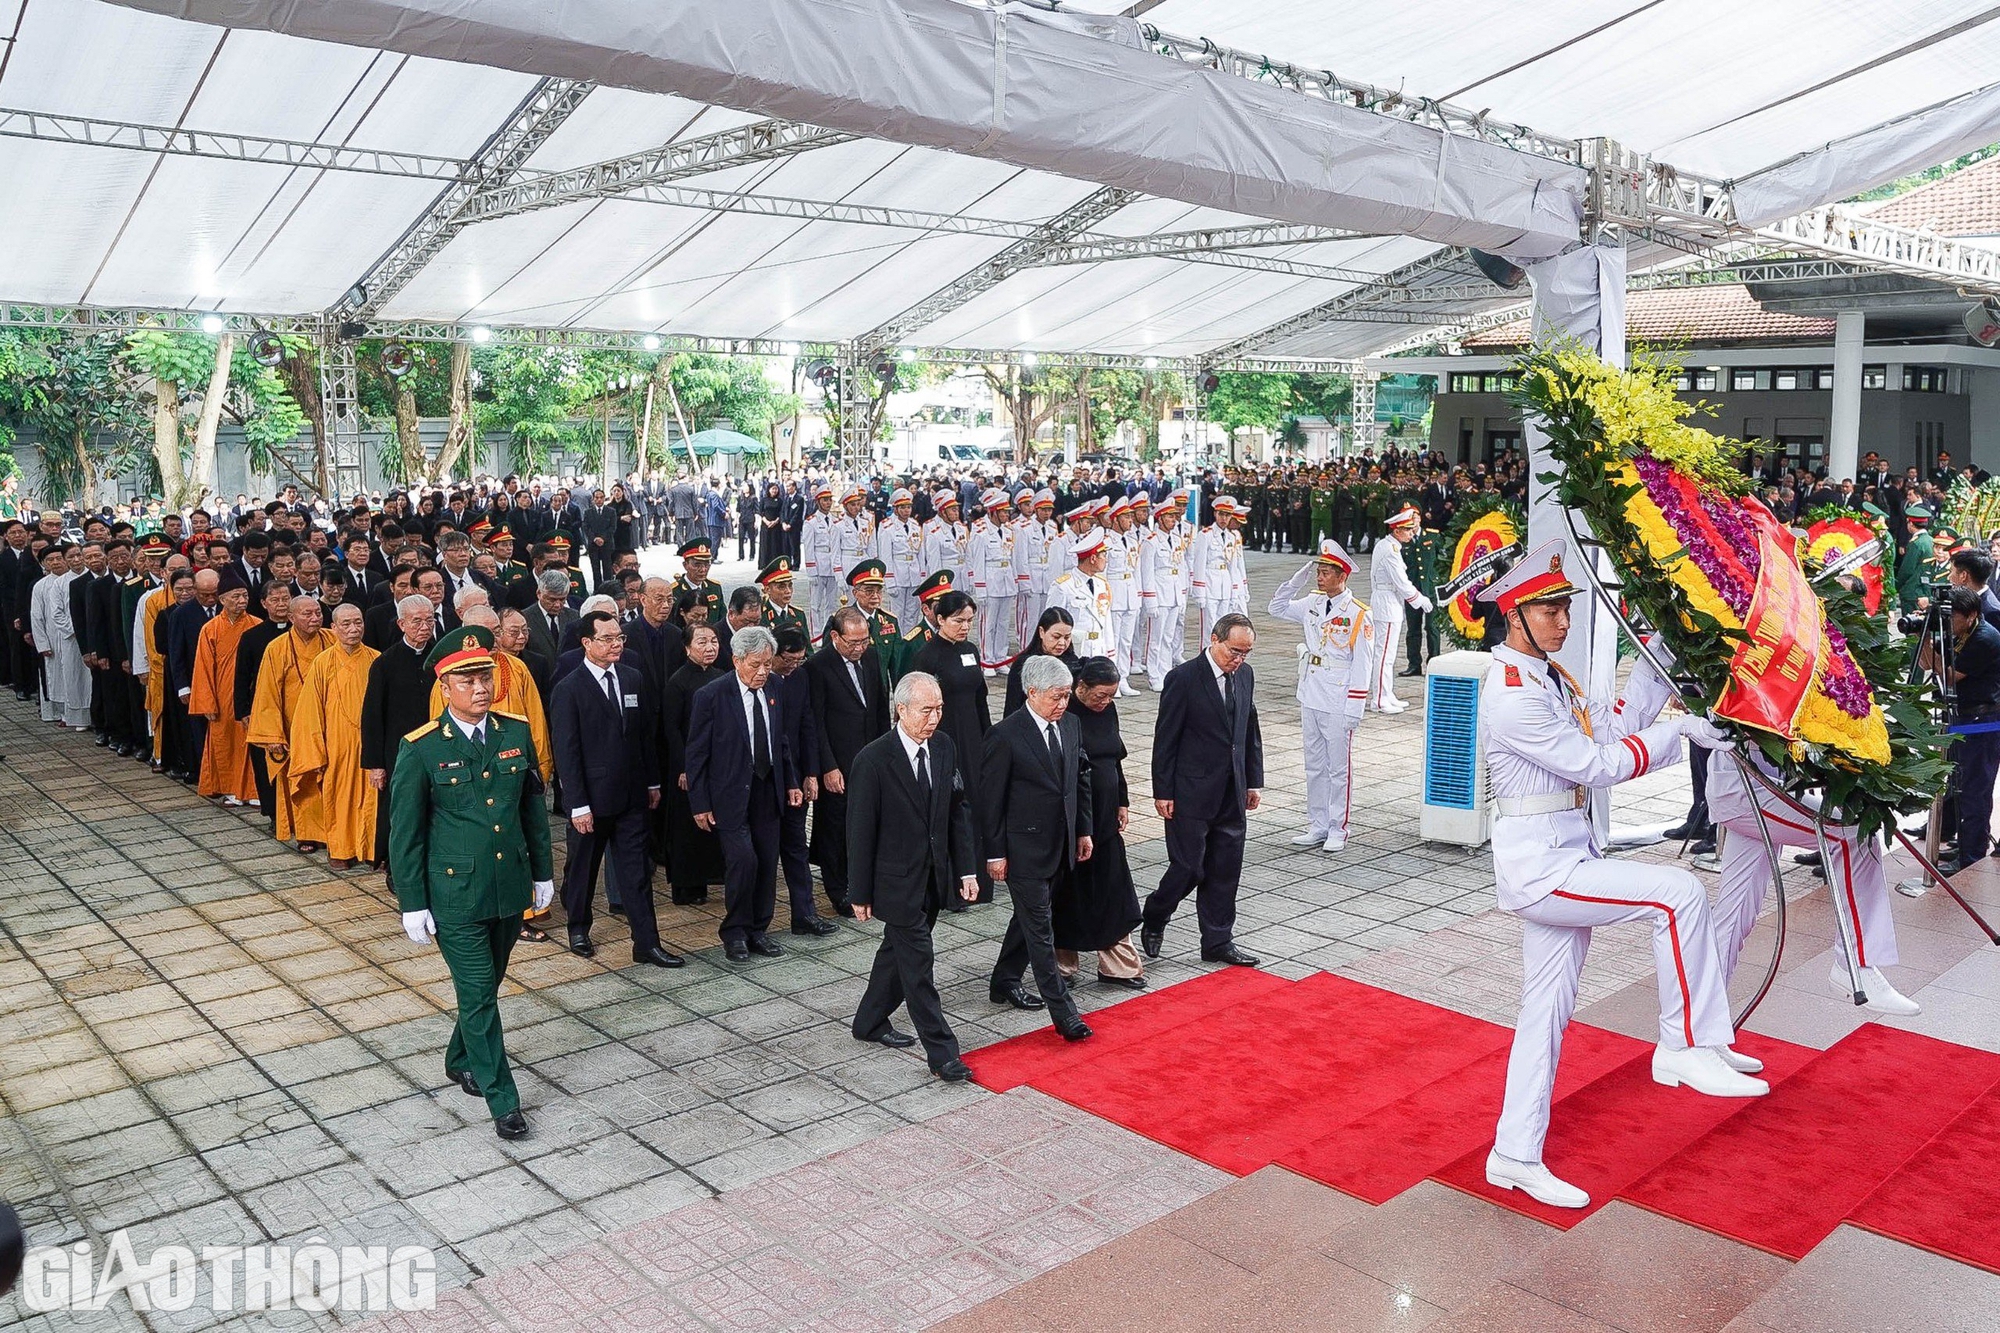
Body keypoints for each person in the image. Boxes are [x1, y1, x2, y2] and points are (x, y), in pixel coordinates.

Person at [1475, 540, 1763, 1212]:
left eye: (1566, 606)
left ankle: (1513, 1153)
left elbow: (1613, 729)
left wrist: (1661, 655)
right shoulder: (1512, 692)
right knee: (1679, 893)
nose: (1563, 620)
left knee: (1544, 1014)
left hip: (1567, 853)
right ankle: (1683, 1043)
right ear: (1514, 613)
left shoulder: (1550, 677)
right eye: (1549, 609)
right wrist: (1680, 735)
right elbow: (1595, 764)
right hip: (1542, 868)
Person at [389, 626, 555, 1142]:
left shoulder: (514, 733)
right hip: (454, 895)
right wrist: (412, 902)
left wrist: (544, 873)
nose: (480, 687)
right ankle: (503, 1098)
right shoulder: (419, 749)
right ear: (444, 688)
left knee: (484, 988)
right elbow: (405, 833)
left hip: (507, 887)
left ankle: (459, 1056)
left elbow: (531, 811)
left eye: (484, 676)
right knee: (481, 993)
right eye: (467, 680)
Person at [1707, 748, 1920, 1016]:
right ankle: (1854, 965)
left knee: (1735, 914)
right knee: (1853, 836)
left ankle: (1699, 1030)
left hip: (1754, 783)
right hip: (1748, 789)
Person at [847, 670, 980, 1080]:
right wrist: (859, 890)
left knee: (897, 954)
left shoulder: (943, 748)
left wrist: (967, 869)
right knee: (919, 966)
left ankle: (868, 1021)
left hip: (933, 877)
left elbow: (956, 812)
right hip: (894, 882)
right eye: (926, 710)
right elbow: (859, 830)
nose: (935, 717)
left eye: (940, 708)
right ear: (900, 710)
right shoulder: (872, 759)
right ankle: (942, 1052)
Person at [551, 609, 678, 967]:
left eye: (619, 637)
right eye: (607, 639)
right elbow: (567, 751)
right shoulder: (569, 688)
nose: (616, 645)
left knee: (636, 872)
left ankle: (647, 943)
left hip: (632, 795)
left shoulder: (633, 678)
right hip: (591, 799)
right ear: (586, 643)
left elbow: (644, 736)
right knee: (583, 867)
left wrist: (652, 781)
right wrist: (576, 805)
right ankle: (578, 927)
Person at [1140, 611, 1263, 968]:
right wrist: (1163, 791)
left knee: (1226, 867)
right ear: (1214, 639)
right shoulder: (1183, 678)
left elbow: (1248, 729)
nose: (1239, 660)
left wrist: (1253, 779)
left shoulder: (1245, 676)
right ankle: (1155, 913)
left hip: (1232, 789)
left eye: (1246, 653)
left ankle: (1218, 939)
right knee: (1189, 867)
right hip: (1190, 791)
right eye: (1234, 651)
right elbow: (1166, 739)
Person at [982, 653, 1094, 1039]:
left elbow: (1079, 781)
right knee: (1041, 928)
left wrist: (1083, 831)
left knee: (1029, 918)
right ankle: (1064, 1014)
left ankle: (1004, 979)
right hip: (1023, 849)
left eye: (1066, 696)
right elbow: (990, 801)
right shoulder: (1005, 736)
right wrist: (994, 853)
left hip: (1061, 845)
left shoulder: (1072, 725)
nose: (1063, 704)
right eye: (1056, 697)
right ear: (1032, 692)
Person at [687, 625, 805, 961]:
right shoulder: (711, 696)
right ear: (737, 660)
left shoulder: (775, 687)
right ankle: (735, 932)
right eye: (756, 665)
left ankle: (758, 930)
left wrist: (792, 782)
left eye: (768, 664)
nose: (763, 671)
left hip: (769, 788)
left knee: (768, 862)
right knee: (743, 860)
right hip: (730, 793)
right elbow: (696, 754)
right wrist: (700, 802)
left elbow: (781, 740)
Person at [1268, 540, 1375, 853]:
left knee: (1338, 768)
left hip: (1339, 696)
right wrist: (1296, 581)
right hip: (1311, 691)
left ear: (1342, 576)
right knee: (1314, 764)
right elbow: (1276, 608)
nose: (1319, 577)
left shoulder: (1357, 614)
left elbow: (1363, 662)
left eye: (1325, 572)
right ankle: (1317, 824)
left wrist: (1356, 705)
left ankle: (1338, 827)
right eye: (1318, 571)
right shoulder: (1312, 603)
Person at [1057, 657, 1145, 989]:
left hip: (1106, 818)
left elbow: (1115, 760)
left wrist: (1122, 800)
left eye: (1110, 695)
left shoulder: (1107, 710)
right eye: (1100, 695)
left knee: (1113, 891)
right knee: (1071, 894)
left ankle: (1117, 964)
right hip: (1075, 820)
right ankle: (1062, 964)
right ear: (1081, 687)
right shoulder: (1065, 715)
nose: (1105, 702)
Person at [806, 607, 892, 918]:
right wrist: (827, 766)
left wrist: (888, 751)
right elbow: (815, 722)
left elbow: (881, 706)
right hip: (838, 763)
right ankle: (837, 888)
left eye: (864, 641)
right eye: (852, 643)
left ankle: (864, 883)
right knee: (835, 828)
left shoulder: (870, 657)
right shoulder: (818, 666)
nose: (859, 648)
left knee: (868, 823)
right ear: (834, 637)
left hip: (869, 757)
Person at [910, 589, 992, 906]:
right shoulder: (927, 656)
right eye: (958, 620)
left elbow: (980, 698)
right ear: (939, 618)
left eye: (969, 620)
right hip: (941, 739)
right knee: (950, 808)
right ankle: (949, 888)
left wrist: (988, 740)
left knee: (976, 804)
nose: (964, 626)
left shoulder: (970, 650)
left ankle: (978, 880)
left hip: (973, 740)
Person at [289, 602, 379, 869]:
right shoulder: (323, 662)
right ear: (334, 628)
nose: (354, 629)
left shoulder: (376, 659)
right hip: (337, 745)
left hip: (369, 745)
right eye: (346, 624)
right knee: (339, 798)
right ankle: (341, 849)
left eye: (358, 622)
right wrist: (317, 749)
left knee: (373, 798)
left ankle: (373, 849)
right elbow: (309, 712)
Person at [246, 594, 334, 852]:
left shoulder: (332, 640)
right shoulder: (277, 648)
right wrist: (273, 735)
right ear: (291, 617)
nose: (315, 618)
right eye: (307, 614)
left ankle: (332, 830)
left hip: (329, 723)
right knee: (303, 780)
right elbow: (267, 693)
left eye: (318, 612)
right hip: (293, 726)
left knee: (329, 779)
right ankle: (306, 833)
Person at [360, 594, 440, 873]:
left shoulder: (441, 657)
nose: (424, 626)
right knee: (400, 812)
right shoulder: (385, 663)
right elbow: (371, 716)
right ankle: (398, 868)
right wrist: (375, 765)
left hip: (437, 748)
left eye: (429, 619)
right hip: (398, 753)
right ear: (401, 623)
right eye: (416, 621)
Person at [1927, 586, 2000, 872]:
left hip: (1983, 724)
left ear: (1970, 616)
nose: (1948, 625)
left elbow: (1948, 675)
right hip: (1964, 719)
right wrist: (1924, 642)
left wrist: (1932, 652)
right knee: (1958, 787)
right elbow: (1930, 666)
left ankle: (1971, 857)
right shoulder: (1961, 633)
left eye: (1952, 619)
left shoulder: (1985, 638)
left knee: (1975, 792)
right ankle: (1963, 843)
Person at [768, 626, 836, 936]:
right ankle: (757, 925)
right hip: (767, 777)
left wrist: (811, 773)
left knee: (796, 848)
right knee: (766, 854)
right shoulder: (760, 679)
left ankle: (804, 914)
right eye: (788, 659)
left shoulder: (800, 677)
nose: (793, 665)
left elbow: (809, 725)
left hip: (796, 774)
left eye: (799, 659)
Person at [660, 620, 727, 905]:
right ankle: (686, 886)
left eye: (713, 641)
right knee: (687, 829)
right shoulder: (677, 682)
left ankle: (710, 878)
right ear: (687, 647)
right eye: (701, 642)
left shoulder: (723, 676)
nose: (709, 647)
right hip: (688, 767)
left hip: (717, 765)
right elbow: (671, 730)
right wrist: (684, 767)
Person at [189, 569, 262, 806]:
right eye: (236, 596)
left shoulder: (256, 625)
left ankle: (254, 790)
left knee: (252, 742)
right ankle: (230, 789)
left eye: (244, 596)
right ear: (222, 599)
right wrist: (207, 702)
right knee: (225, 743)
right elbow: (203, 667)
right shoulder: (210, 629)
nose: (242, 601)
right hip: (222, 695)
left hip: (250, 694)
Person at [1368, 505, 1431, 713]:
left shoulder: (1390, 546)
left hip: (1389, 602)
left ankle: (1386, 693)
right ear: (1397, 531)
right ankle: (1378, 700)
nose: (1412, 533)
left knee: (1388, 655)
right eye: (1408, 530)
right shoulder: (1390, 550)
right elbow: (1402, 582)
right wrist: (1420, 599)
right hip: (1386, 604)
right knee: (1383, 655)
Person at [1004, 607, 1077, 717]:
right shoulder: (1024, 664)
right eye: (1056, 637)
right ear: (1042, 632)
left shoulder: (1072, 661)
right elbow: (1012, 705)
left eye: (1067, 637)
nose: (1062, 643)